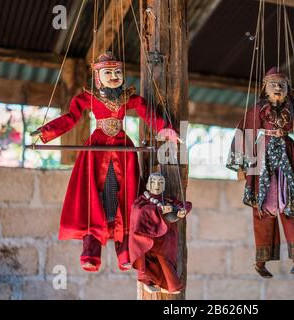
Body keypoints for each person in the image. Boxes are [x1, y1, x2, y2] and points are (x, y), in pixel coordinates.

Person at [31, 52, 177, 272]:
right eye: (108, 72)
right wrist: (46, 132)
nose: (114, 76)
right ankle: (91, 253)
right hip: (96, 150)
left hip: (122, 150)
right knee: (92, 199)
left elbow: (146, 111)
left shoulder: (128, 98)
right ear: (98, 76)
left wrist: (165, 129)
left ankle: (125, 254)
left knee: (125, 198)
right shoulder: (87, 98)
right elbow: (71, 118)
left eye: (118, 72)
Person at [227, 67, 294, 278]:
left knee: (292, 208)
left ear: (289, 88)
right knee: (261, 209)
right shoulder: (259, 109)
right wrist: (241, 165)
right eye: (273, 84)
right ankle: (260, 261)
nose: (278, 88)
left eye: (282, 84)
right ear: (265, 89)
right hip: (262, 158)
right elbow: (245, 130)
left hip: (288, 157)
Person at [129, 173, 192, 294]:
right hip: (148, 238)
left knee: (165, 261)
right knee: (147, 262)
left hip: (163, 239)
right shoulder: (143, 200)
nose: (157, 185)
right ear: (148, 185)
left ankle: (170, 286)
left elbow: (184, 204)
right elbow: (139, 211)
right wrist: (159, 210)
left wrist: (182, 211)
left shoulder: (166, 200)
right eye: (153, 182)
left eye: (160, 183)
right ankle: (148, 282)